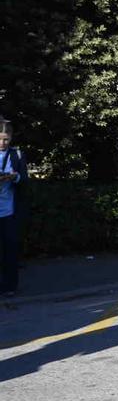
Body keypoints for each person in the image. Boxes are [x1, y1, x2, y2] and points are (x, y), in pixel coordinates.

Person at [0, 120, 27, 296]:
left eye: (6, 139)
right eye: (0, 139)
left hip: (8, 210)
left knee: (9, 249)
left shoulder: (17, 155)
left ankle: (9, 287)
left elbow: (24, 180)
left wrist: (15, 177)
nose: (3, 143)